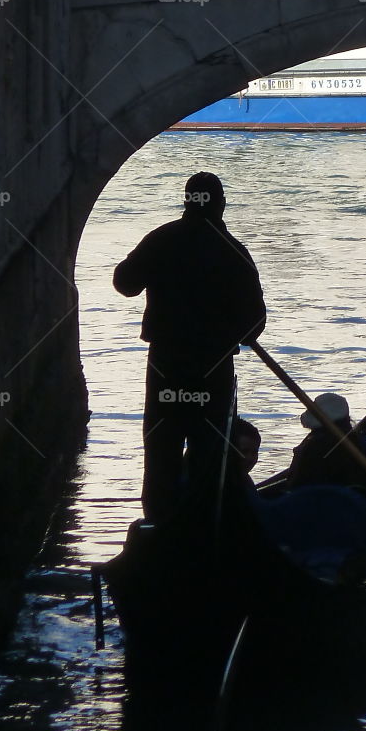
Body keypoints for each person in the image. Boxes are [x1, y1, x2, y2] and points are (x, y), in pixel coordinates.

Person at [112, 172, 266, 523]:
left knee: (161, 451)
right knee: (208, 453)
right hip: (213, 370)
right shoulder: (234, 253)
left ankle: (158, 525)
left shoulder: (161, 240)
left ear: (186, 201)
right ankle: (200, 530)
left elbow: (124, 283)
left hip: (167, 365)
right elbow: (255, 324)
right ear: (222, 205)